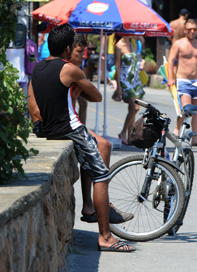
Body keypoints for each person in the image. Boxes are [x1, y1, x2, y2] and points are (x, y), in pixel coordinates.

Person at [29, 24, 135, 252]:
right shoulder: (70, 70)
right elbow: (96, 96)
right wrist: (77, 87)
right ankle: (106, 237)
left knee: (100, 148)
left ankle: (90, 207)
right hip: (70, 129)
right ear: (68, 48)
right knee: (101, 175)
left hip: (46, 130)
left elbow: (33, 106)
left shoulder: (37, 69)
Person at [167, 18, 197, 146]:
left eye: (194, 29)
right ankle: (178, 128)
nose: (192, 31)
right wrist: (170, 78)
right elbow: (170, 61)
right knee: (186, 109)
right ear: (185, 30)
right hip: (183, 80)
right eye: (189, 29)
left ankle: (194, 138)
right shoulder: (178, 44)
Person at [115, 35, 145, 145]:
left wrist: (142, 62)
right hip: (125, 80)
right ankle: (123, 132)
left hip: (135, 79)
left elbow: (143, 41)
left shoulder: (133, 43)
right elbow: (117, 67)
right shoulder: (118, 46)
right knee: (135, 108)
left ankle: (130, 137)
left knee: (131, 109)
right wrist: (118, 86)